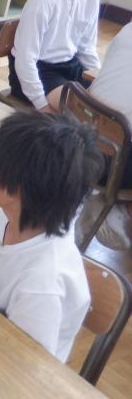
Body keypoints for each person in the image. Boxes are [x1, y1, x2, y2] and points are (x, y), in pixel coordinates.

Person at [0, 110, 103, 362]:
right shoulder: (8, 216)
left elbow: (22, 364)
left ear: (18, 190)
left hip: (7, 367)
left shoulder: (43, 283)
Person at [9, 0, 107, 111]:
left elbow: (86, 48)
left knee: (107, 101)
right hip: (38, 71)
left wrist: (98, 78)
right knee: (81, 110)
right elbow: (25, 59)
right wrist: (41, 104)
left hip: (69, 66)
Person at [81, 22, 132, 249]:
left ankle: (110, 205)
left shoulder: (128, 29)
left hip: (75, 138)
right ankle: (114, 208)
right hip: (111, 163)